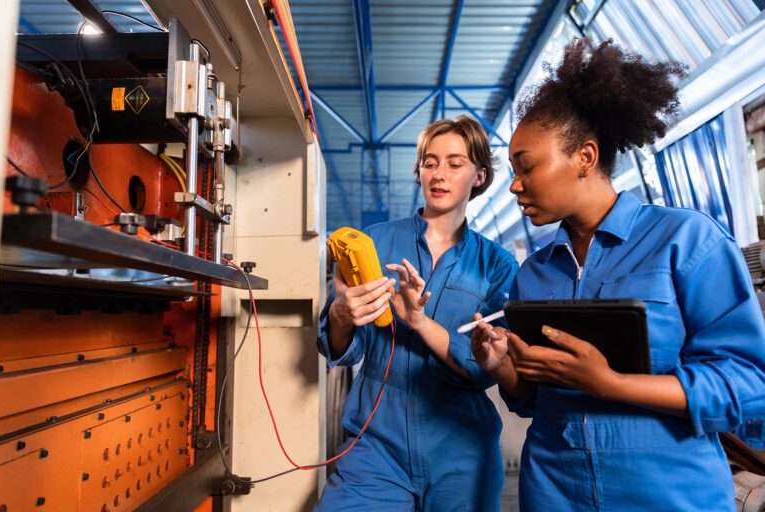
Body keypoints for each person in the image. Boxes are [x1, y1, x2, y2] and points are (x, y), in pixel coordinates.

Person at [471, 37, 765, 511]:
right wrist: (502, 367)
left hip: (670, 497)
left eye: (526, 167)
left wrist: (612, 384)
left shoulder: (687, 242)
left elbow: (750, 385)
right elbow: (532, 401)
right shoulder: (533, 275)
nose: (513, 185)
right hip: (554, 494)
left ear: (585, 157)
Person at [315, 115, 519, 511]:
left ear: (478, 176)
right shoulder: (374, 242)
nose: (439, 174)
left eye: (454, 163)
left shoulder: (497, 265)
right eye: (430, 162)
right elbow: (340, 348)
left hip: (461, 450)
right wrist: (341, 312)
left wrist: (420, 323)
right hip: (376, 445)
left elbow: (486, 368)